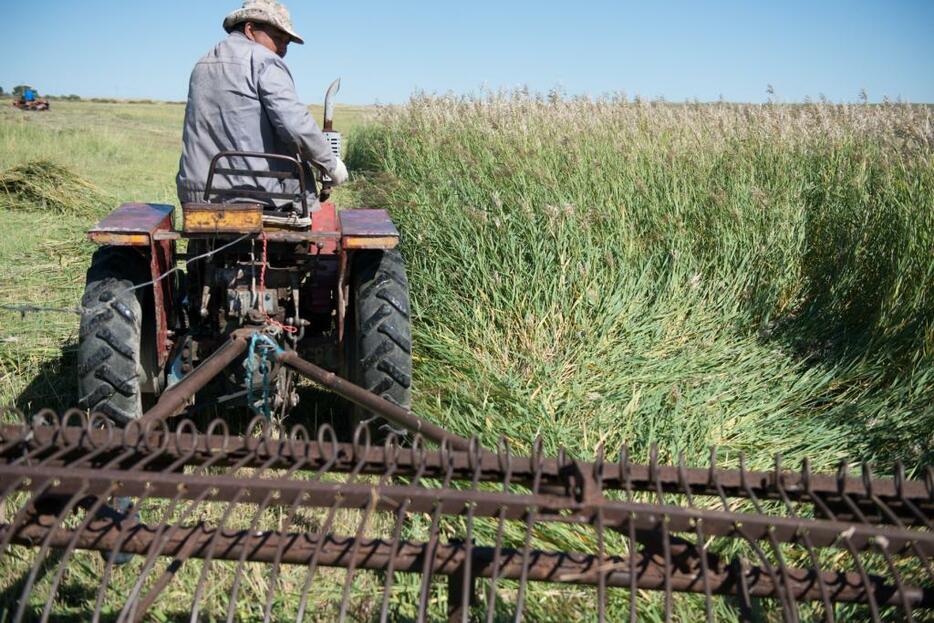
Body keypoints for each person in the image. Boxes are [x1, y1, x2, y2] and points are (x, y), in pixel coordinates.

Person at [176, 0, 347, 217]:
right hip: (254, 195)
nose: (282, 50)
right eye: (278, 39)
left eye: (286, 44)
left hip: (198, 194)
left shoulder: (203, 63)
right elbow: (295, 125)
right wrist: (330, 164)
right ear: (250, 30)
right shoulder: (264, 61)